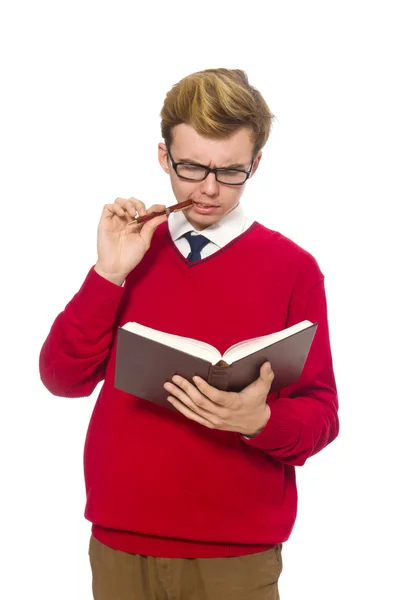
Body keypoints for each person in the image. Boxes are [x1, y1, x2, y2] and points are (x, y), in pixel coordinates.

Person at [39, 68, 339, 600]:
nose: (207, 188)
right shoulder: (132, 249)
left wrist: (261, 420)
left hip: (236, 555)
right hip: (120, 541)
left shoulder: (294, 268)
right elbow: (61, 378)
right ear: (163, 156)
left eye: (230, 172)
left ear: (257, 164)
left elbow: (321, 413)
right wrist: (108, 274)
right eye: (191, 166)